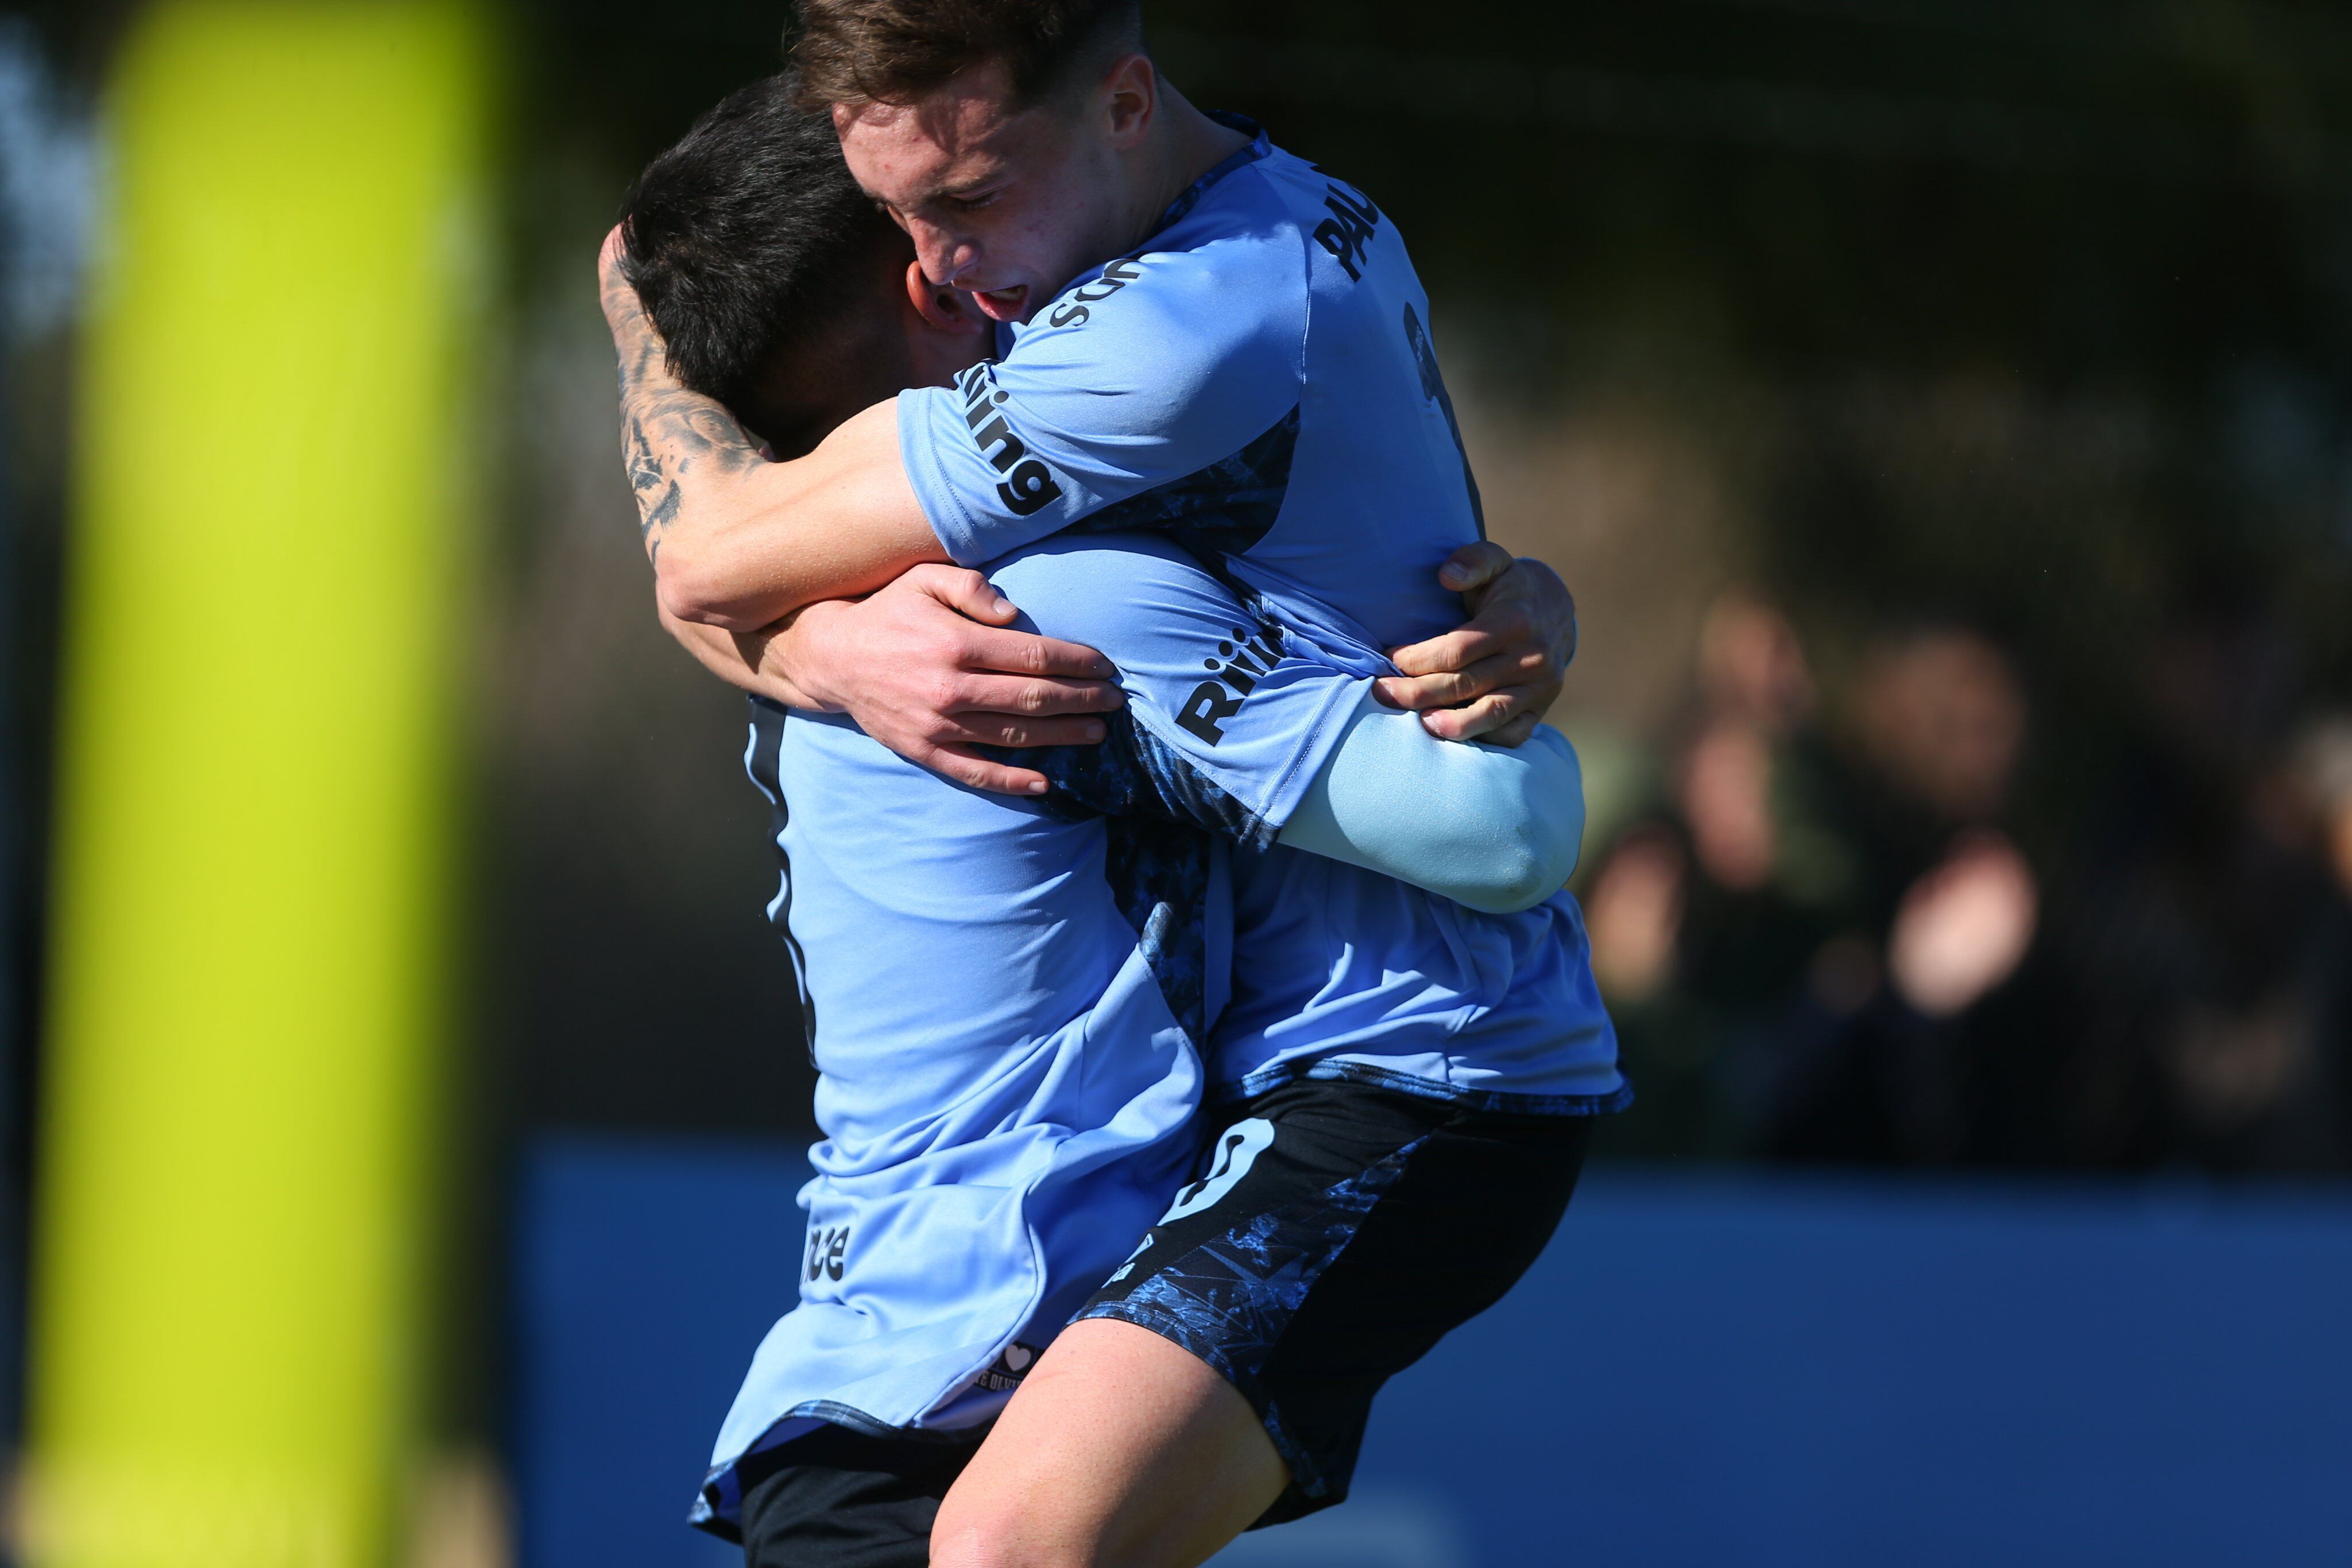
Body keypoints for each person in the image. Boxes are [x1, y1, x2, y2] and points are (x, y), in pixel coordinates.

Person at [603, 12, 1623, 1563]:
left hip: (1416, 1068)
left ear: (1127, 101)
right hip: (1171, 1160)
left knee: (1010, 1548)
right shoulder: (1300, 218)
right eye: (896, 224)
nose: (943, 271)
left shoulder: (1146, 379)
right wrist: (835, 649)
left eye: (963, 207)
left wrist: (801, 625)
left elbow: (702, 554)